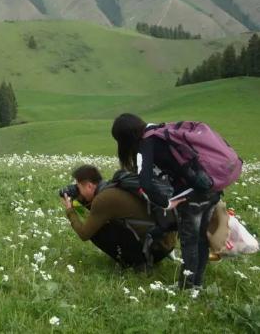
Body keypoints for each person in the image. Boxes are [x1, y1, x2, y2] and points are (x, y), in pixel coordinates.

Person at [112, 113, 221, 289]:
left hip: (191, 195)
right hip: (210, 186)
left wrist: (166, 203)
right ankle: (197, 284)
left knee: (189, 241)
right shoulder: (161, 130)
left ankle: (187, 287)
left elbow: (145, 183)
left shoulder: (145, 143)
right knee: (201, 239)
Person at [61, 164, 177, 268]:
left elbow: (84, 234)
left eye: (79, 187)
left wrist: (70, 210)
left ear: (90, 186)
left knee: (96, 231)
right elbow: (99, 212)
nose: (78, 191)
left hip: (155, 249)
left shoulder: (103, 198)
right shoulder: (112, 187)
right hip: (164, 242)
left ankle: (136, 264)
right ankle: (139, 258)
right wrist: (81, 199)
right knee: (102, 222)